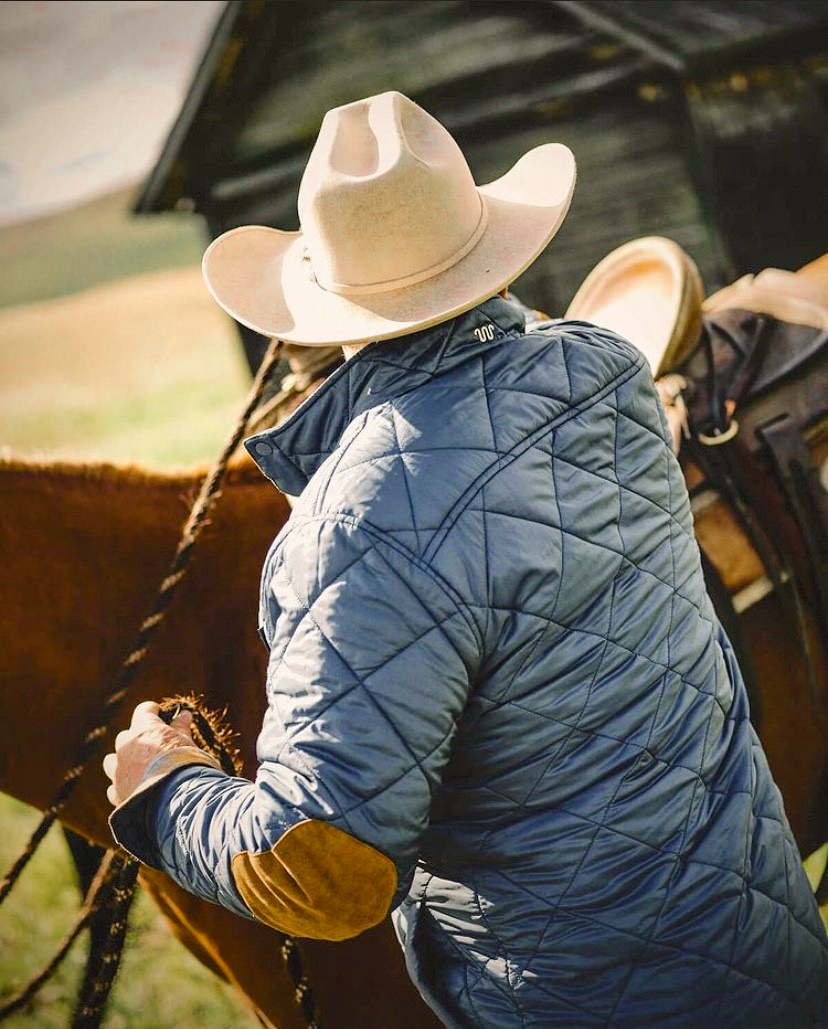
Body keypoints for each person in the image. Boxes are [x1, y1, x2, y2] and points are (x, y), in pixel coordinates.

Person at [104, 91, 828, 1027]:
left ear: (321, 307)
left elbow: (327, 866)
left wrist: (166, 797)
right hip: (770, 957)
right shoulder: (609, 373)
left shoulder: (356, 522)